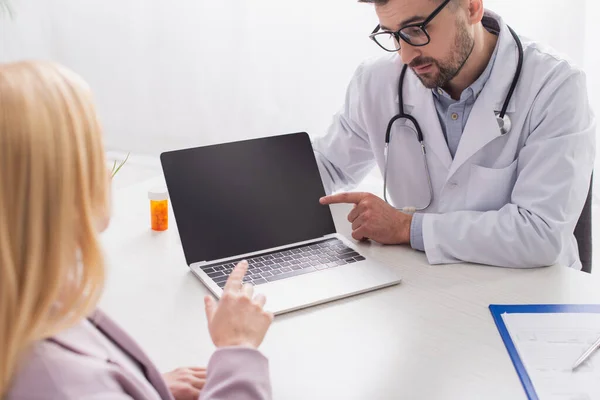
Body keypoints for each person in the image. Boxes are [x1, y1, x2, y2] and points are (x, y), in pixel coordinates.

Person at [0, 61, 274, 400]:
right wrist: (238, 350)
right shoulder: (64, 382)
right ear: (61, 183)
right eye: (95, 148)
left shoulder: (28, 301)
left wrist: (138, 387)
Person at [315, 0, 595, 269]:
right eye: (393, 35)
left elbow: (540, 234)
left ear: (472, 7)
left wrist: (406, 227)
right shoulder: (377, 82)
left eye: (416, 30)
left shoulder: (555, 85)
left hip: (532, 295)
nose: (405, 55)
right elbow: (327, 165)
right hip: (429, 285)